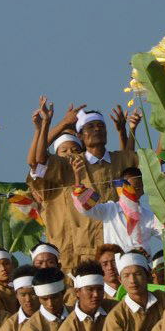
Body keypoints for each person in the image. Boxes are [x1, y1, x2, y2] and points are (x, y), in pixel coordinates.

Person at [29, 99, 140, 268]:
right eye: (90, 126)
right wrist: (50, 124)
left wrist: (157, 128)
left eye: (100, 125)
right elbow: (37, 161)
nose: (97, 129)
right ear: (80, 135)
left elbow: (139, 163)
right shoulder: (69, 166)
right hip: (76, 250)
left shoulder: (115, 160)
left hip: (115, 244)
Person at [71, 162, 165, 258]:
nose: (131, 192)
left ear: (143, 189)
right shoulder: (109, 209)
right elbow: (84, 209)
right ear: (120, 188)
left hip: (140, 266)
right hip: (115, 265)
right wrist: (78, 179)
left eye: (136, 188)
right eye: (127, 188)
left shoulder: (149, 217)